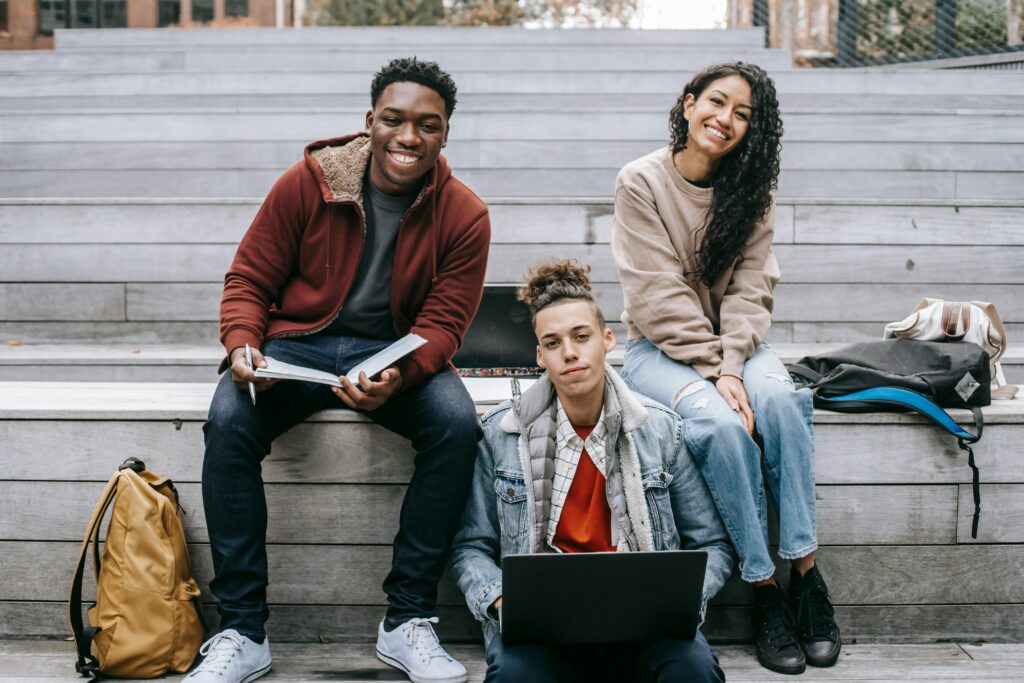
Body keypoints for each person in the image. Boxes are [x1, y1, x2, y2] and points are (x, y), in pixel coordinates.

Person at [187, 57, 490, 683]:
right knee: (227, 419)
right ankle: (243, 629)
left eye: (427, 126)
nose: (408, 137)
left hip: (395, 352)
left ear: (445, 134)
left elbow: (444, 325)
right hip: (299, 342)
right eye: (394, 120)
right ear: (369, 122)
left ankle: (406, 620)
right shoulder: (309, 183)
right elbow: (248, 280)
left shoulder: (463, 214)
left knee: (458, 425)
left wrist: (400, 378)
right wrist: (244, 345)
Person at [609, 62, 842, 676]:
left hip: (735, 346)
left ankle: (806, 577)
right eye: (716, 103)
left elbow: (750, 290)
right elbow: (657, 299)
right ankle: (763, 589)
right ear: (688, 105)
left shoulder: (751, 189)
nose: (727, 120)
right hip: (657, 351)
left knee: (785, 403)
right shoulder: (640, 182)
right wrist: (720, 373)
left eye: (744, 114)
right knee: (718, 425)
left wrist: (734, 363)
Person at [451, 259, 733, 683]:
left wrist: (678, 602)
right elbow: (470, 547)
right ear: (539, 356)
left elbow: (712, 543)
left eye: (581, 336)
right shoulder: (501, 435)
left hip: (646, 629)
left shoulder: (660, 430)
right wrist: (503, 602)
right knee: (514, 676)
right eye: (553, 342)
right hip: (542, 633)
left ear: (607, 339)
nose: (569, 351)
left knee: (692, 670)